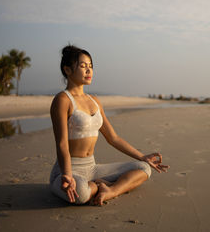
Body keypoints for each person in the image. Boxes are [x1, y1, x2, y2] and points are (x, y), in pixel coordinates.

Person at [49, 45, 169, 206]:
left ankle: (110, 190)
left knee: (144, 168)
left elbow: (113, 138)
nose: (89, 71)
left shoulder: (94, 100)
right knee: (82, 194)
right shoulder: (63, 100)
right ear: (68, 70)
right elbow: (62, 143)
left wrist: (142, 157)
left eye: (91, 66)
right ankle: (100, 185)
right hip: (68, 170)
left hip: (91, 168)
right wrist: (67, 175)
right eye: (83, 66)